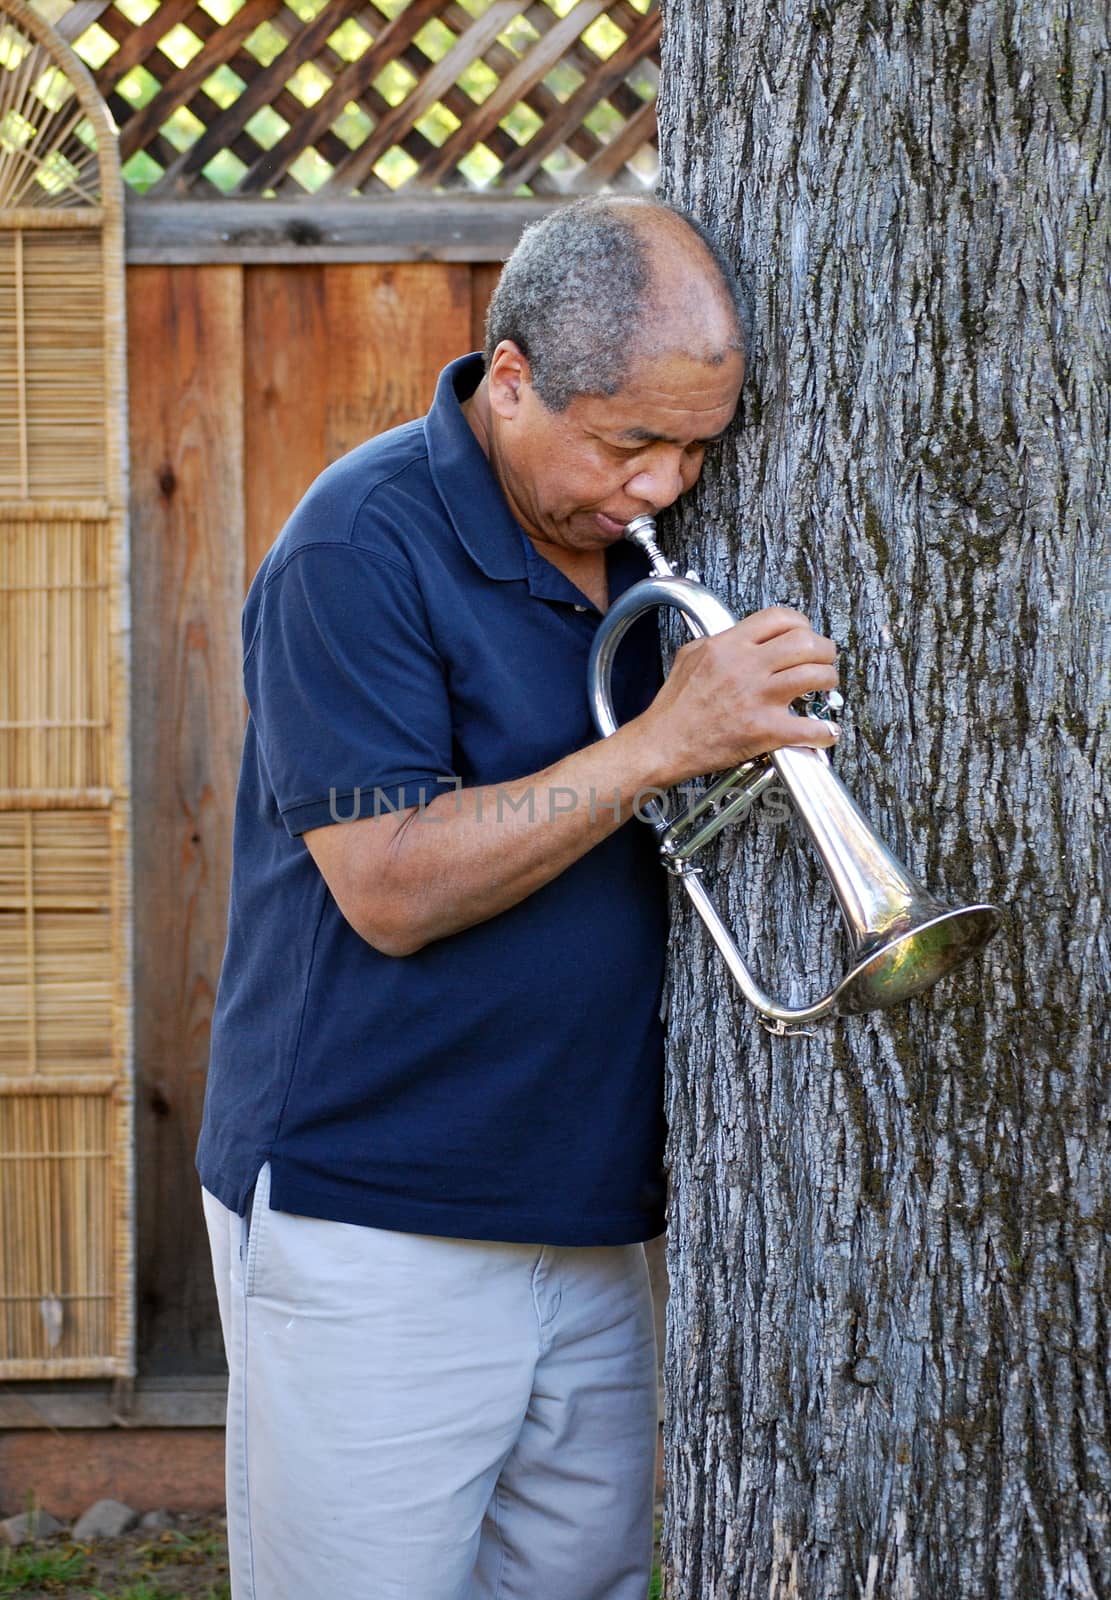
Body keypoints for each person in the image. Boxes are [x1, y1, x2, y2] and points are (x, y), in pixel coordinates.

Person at [197, 195, 838, 1600]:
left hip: (595, 1216)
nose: (663, 485)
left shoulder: (643, 539)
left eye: (694, 447)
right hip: (374, 1215)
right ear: (511, 380)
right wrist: (661, 743)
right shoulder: (354, 549)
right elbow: (389, 886)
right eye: (628, 442)